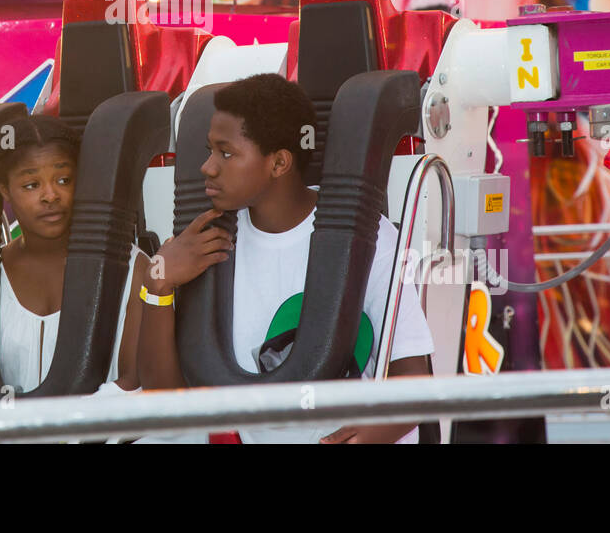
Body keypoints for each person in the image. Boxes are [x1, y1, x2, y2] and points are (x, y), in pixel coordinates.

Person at [137, 73, 436, 443]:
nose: (208, 167)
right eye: (210, 150)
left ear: (279, 163)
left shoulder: (362, 236)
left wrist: (366, 435)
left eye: (226, 153)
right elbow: (164, 402)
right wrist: (158, 284)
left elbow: (414, 380)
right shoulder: (202, 243)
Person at [0, 115, 147, 416]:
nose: (50, 195)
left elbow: (134, 386)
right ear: (5, 190)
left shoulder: (132, 268)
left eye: (64, 180)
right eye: (31, 184)